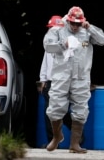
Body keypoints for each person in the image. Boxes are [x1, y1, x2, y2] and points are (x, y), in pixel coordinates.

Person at [43, 6, 104, 153]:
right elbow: (47, 46)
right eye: (73, 23)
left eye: (78, 24)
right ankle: (56, 136)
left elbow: (103, 40)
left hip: (81, 76)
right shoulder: (58, 29)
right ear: (69, 20)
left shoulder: (86, 31)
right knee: (55, 106)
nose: (75, 27)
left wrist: (90, 28)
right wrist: (62, 44)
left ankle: (74, 144)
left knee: (81, 108)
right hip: (61, 75)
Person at [38, 15, 73, 146]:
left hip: (62, 83)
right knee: (49, 113)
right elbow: (45, 63)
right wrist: (42, 80)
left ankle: (76, 133)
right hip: (50, 83)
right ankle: (51, 141)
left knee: (62, 112)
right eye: (50, 28)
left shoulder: (68, 44)